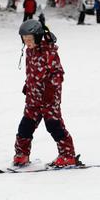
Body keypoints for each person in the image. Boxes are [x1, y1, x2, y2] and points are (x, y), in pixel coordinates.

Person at [13, 19, 78, 167]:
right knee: (25, 127)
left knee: (54, 126)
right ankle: (21, 154)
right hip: (33, 99)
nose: (27, 42)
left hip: (49, 99)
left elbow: (58, 74)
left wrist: (50, 91)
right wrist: (28, 85)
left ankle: (68, 155)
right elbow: (32, 72)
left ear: (37, 37)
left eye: (29, 39)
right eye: (24, 40)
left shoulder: (49, 51)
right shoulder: (30, 51)